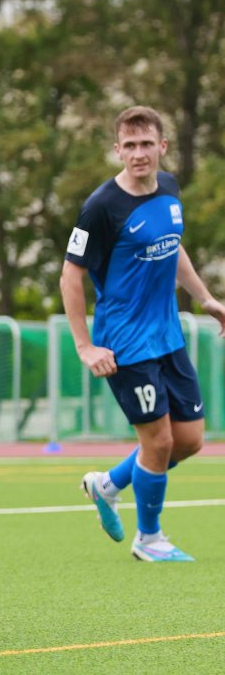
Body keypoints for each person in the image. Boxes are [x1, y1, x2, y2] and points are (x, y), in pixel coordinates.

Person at [63, 106, 225, 562]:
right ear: (117, 150)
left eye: (146, 144)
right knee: (159, 442)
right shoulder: (100, 208)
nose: (138, 154)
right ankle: (149, 539)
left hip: (167, 335)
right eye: (129, 146)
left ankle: (107, 484)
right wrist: (84, 345)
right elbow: (69, 277)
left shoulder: (169, 189)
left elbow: (172, 247)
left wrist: (207, 297)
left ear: (162, 147)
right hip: (125, 343)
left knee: (190, 440)